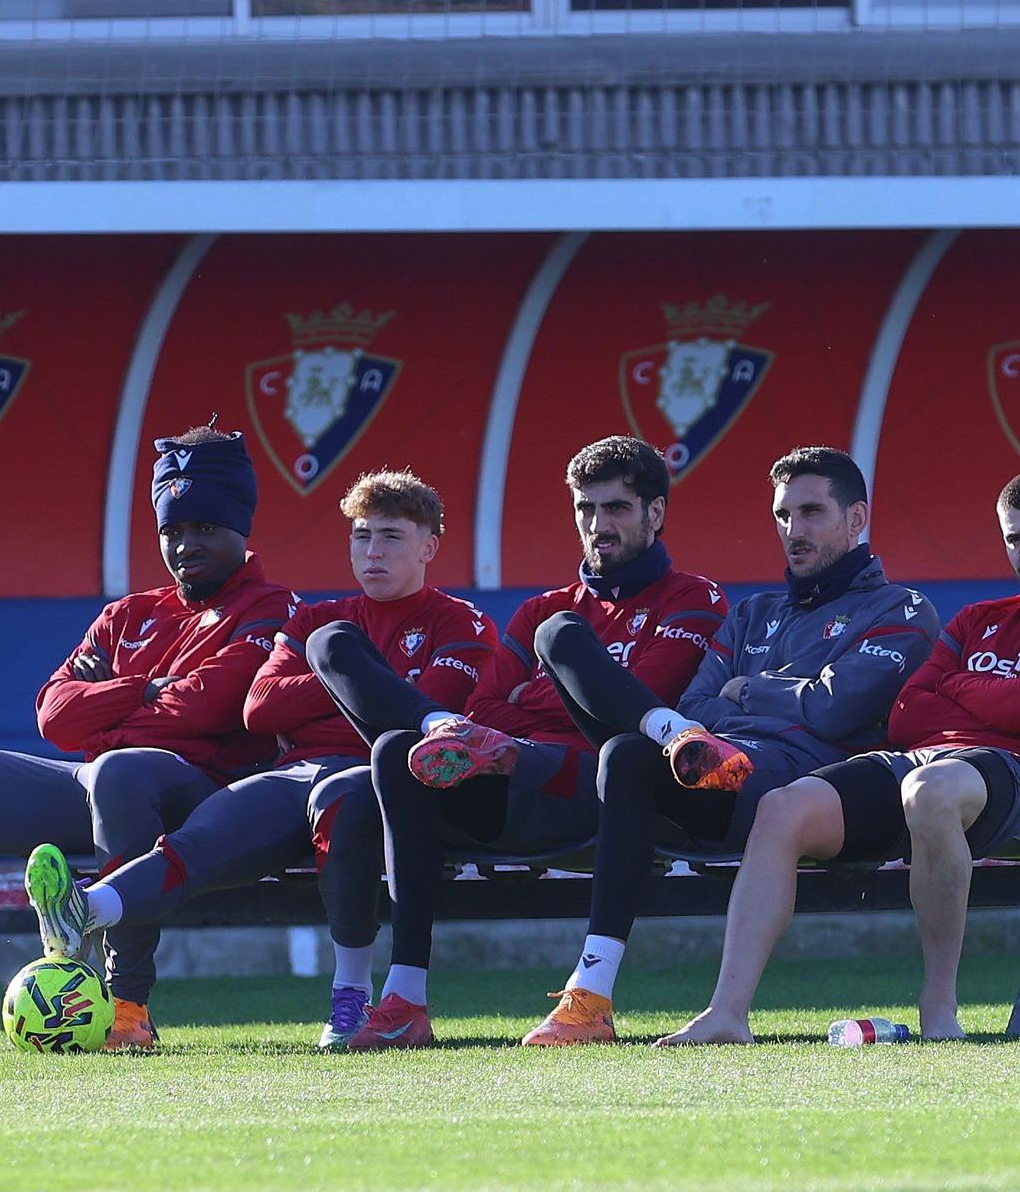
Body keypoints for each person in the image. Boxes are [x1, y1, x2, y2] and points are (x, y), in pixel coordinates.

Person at [658, 466, 1020, 1046]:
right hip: (920, 756)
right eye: (1013, 538)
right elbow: (909, 713)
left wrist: (968, 694)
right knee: (782, 807)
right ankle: (726, 1014)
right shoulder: (978, 620)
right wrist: (1017, 714)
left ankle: (938, 1004)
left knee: (932, 792)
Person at [24, 469, 495, 1050]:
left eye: (391, 537)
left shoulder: (461, 621)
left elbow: (434, 710)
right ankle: (84, 910)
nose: (372, 551)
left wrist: (336, 681)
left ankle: (351, 998)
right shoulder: (316, 620)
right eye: (360, 535)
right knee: (204, 834)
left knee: (341, 799)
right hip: (295, 772)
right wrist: (366, 681)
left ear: (429, 547)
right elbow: (262, 709)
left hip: (383, 778)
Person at [0, 425, 294, 1051]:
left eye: (203, 527)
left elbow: (206, 709)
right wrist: (145, 689)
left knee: (124, 767)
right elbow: (55, 717)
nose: (184, 544)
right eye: (172, 530)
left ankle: (127, 1008)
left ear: (240, 529)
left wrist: (110, 711)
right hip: (99, 785)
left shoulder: (273, 611)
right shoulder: (130, 615)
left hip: (206, 802)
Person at [305, 435, 726, 1049]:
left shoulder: (692, 597)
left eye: (615, 509)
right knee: (365, 702)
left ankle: (589, 999)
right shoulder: (537, 608)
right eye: (585, 508)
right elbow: (484, 705)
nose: (596, 524)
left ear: (654, 514)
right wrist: (485, 730)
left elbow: (639, 697)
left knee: (566, 646)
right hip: (502, 780)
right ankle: (405, 999)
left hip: (605, 785)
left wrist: (526, 715)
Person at [515, 446, 940, 1046]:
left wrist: (749, 689)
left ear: (857, 519)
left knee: (642, 751)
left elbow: (836, 708)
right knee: (583, 679)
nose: (794, 530)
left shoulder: (903, 608)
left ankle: (719, 1010)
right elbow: (700, 705)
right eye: (783, 515)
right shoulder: (752, 614)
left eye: (812, 512)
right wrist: (726, 712)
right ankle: (590, 998)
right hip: (706, 772)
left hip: (798, 789)